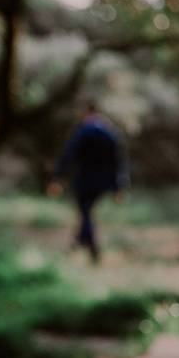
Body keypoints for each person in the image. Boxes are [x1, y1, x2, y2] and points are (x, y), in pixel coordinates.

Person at [48, 99, 128, 263]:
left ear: (86, 112)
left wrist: (57, 177)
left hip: (85, 180)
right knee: (87, 212)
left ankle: (90, 246)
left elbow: (68, 156)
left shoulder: (83, 132)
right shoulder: (109, 133)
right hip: (104, 182)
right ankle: (81, 240)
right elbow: (119, 161)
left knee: (85, 212)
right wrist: (119, 186)